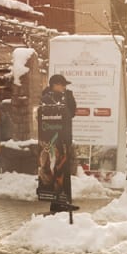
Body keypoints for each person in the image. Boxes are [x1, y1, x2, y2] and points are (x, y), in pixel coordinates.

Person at [37, 73, 78, 213]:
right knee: (55, 171)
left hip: (64, 138)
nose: (65, 87)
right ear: (54, 85)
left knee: (64, 172)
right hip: (53, 140)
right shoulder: (46, 98)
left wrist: (69, 97)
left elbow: (72, 113)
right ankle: (56, 203)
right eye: (63, 84)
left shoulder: (65, 96)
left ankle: (64, 201)